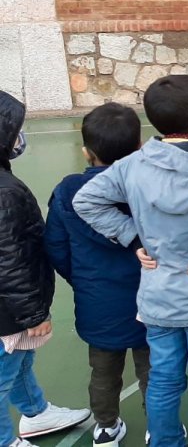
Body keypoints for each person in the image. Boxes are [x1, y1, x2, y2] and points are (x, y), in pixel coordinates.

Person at [74, 75, 188, 447]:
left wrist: (131, 236)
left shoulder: (132, 165)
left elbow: (86, 201)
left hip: (158, 297)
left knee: (162, 379)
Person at [44, 103, 147, 447]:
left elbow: (57, 248)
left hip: (96, 301)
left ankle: (105, 427)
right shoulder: (151, 189)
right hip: (152, 297)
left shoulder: (67, 192)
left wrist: (84, 280)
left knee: (103, 370)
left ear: (86, 151)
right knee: (155, 369)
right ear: (139, 146)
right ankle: (159, 425)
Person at [0, 91, 93, 447]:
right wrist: (33, 312)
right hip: (9, 313)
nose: (19, 138)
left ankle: (36, 413)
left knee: (20, 360)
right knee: (3, 372)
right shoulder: (4, 193)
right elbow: (7, 261)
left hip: (13, 311)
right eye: (14, 131)